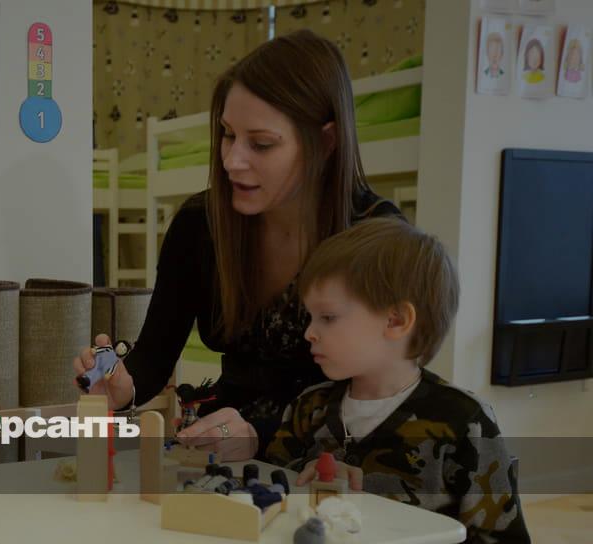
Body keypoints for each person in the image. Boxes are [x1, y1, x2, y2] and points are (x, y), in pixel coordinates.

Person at [73, 30, 403, 461]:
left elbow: (382, 394)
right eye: (228, 135)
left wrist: (259, 434)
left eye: (261, 144)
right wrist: (122, 386)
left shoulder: (376, 239)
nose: (231, 161)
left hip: (334, 456)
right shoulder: (200, 224)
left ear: (325, 143)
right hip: (222, 440)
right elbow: (153, 355)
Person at [265, 218, 530, 543]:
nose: (309, 332)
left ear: (397, 321)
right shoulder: (307, 408)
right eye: (310, 317)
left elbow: (504, 538)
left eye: (328, 317)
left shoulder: (465, 420)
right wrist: (310, 475)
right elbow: (269, 498)